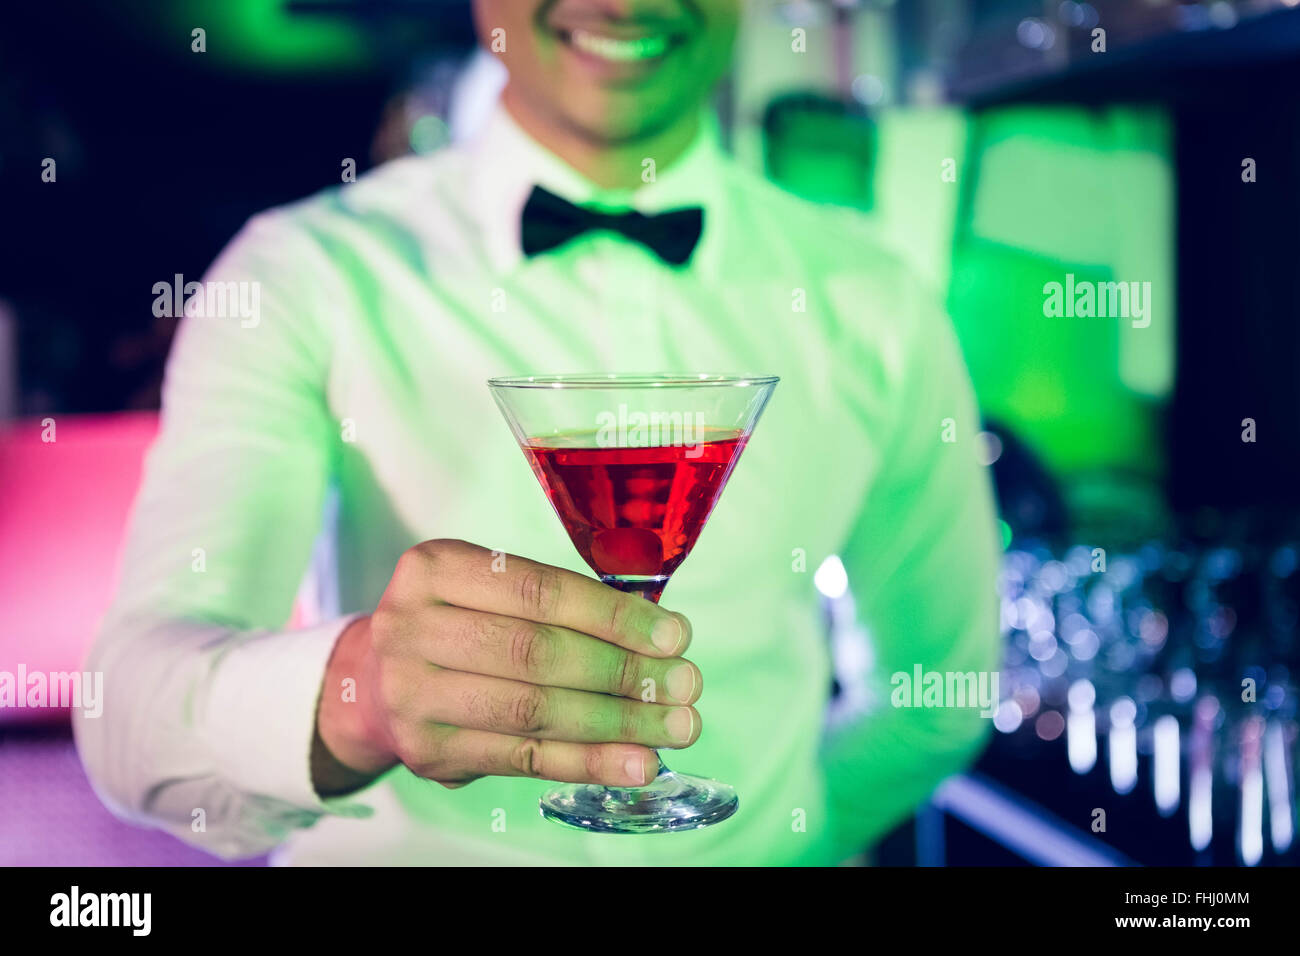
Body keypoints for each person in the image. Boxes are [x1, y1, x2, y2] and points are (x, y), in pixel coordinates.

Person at [74, 0, 1001, 865]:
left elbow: (941, 695)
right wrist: (359, 695)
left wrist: (783, 842)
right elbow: (128, 720)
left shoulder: (877, 304)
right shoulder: (304, 271)